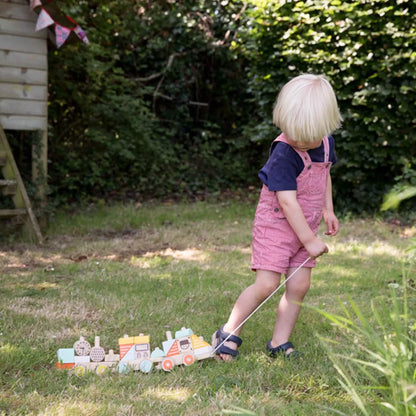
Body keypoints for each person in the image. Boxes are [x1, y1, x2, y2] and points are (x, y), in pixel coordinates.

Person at [212, 74, 342, 361]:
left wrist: (327, 210)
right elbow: (286, 200)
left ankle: (279, 342)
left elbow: (324, 175)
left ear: (324, 127)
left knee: (299, 285)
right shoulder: (284, 152)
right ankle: (228, 332)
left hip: (305, 227)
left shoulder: (326, 143)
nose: (298, 140)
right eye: (292, 131)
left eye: (307, 136)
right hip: (276, 228)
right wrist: (309, 240)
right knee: (267, 284)